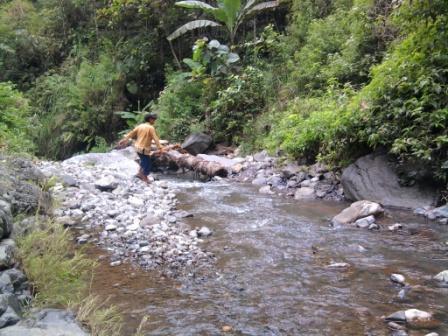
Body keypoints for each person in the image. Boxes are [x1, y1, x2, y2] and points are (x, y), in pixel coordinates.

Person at [118, 113, 164, 184]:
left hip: (137, 147)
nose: (154, 121)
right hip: (143, 148)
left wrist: (123, 140)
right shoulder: (151, 128)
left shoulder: (140, 126)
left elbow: (131, 133)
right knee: (147, 164)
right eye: (154, 119)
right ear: (150, 119)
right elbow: (156, 138)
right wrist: (160, 148)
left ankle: (139, 173)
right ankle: (144, 177)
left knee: (143, 161)